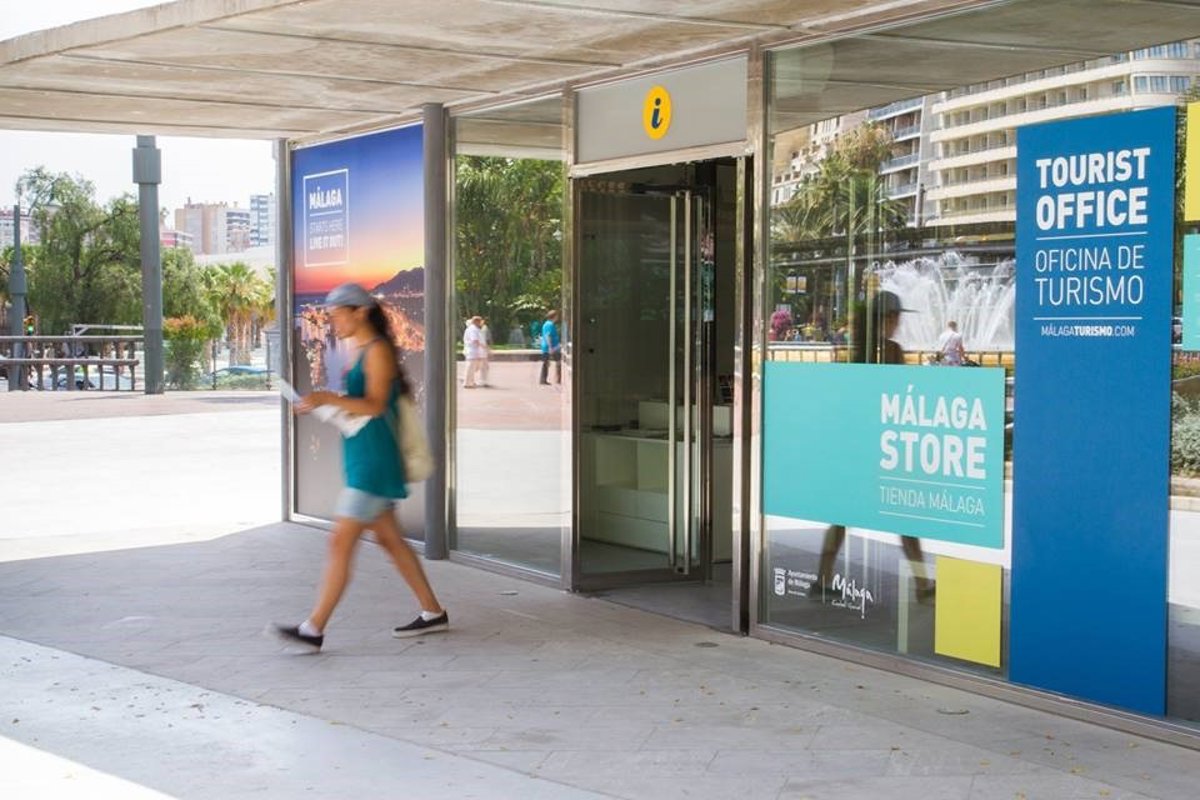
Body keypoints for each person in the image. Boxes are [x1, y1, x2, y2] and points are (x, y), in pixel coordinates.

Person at [273, 282, 447, 650]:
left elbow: (374, 404)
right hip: (364, 456)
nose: (332, 321)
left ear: (360, 312)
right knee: (390, 540)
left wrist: (327, 397)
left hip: (373, 463)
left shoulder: (377, 350)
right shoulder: (363, 349)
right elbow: (363, 404)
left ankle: (313, 628)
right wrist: (324, 404)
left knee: (340, 542)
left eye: (338, 314)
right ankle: (433, 612)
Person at [817, 290, 935, 603]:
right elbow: (900, 397)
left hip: (857, 445)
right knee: (903, 515)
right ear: (888, 318)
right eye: (896, 318)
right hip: (882, 446)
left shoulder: (857, 350)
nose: (899, 324)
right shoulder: (891, 351)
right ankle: (922, 582)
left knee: (842, 515)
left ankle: (822, 576)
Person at [539, 309, 561, 385]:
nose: (558, 317)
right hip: (552, 347)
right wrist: (550, 347)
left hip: (548, 346)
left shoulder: (546, 324)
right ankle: (547, 380)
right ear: (554, 316)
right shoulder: (550, 325)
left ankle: (544, 379)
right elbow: (548, 336)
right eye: (557, 316)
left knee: (547, 363)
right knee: (556, 362)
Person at [462, 315, 486, 388]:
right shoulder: (473, 329)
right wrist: (483, 346)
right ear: (476, 322)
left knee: (473, 367)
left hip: (474, 351)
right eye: (480, 321)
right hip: (472, 351)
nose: (481, 323)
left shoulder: (474, 329)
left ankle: (471, 381)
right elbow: (475, 340)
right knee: (471, 367)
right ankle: (467, 382)